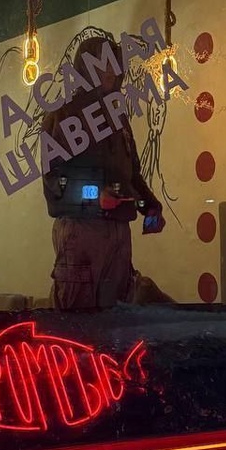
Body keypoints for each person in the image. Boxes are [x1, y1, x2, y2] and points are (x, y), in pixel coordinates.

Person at [41, 34, 167, 310]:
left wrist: (150, 206)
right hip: (82, 233)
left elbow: (132, 175)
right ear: (86, 68)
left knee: (116, 319)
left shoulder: (118, 120)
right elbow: (54, 181)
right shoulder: (62, 116)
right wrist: (95, 196)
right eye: (103, 64)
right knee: (78, 321)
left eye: (114, 64)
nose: (111, 71)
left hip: (118, 231)